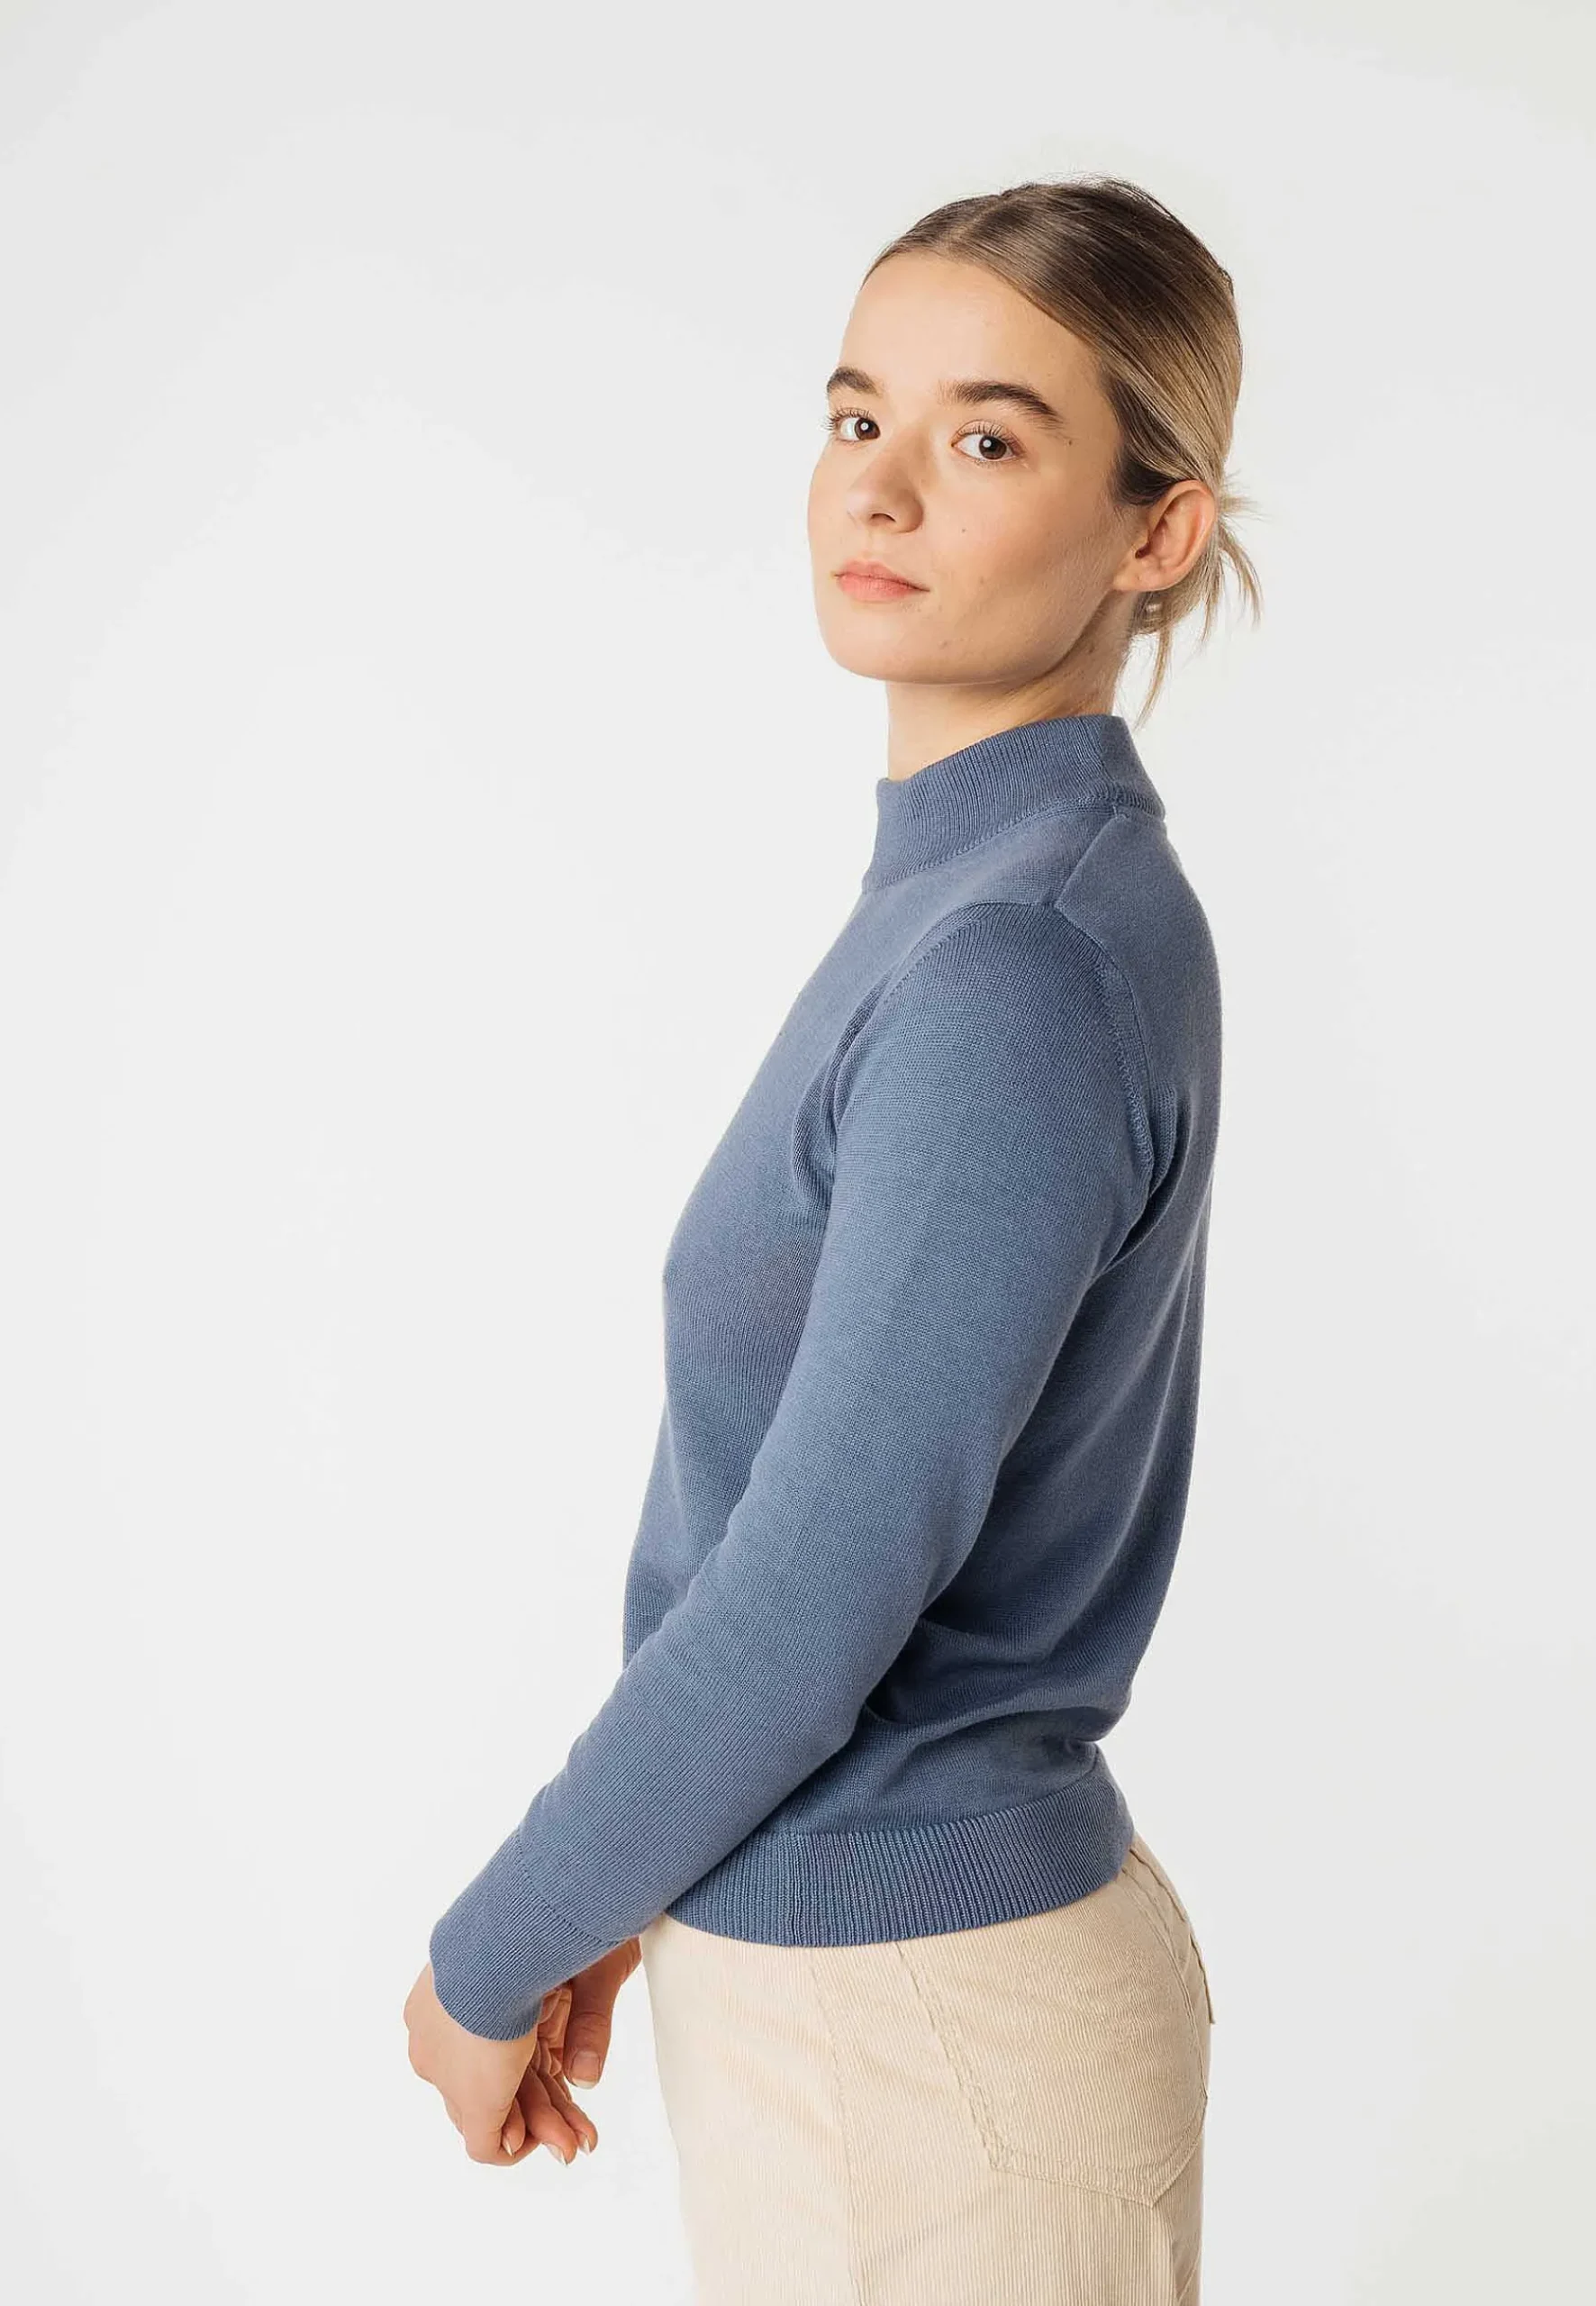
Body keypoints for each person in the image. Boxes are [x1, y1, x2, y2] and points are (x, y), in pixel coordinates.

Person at [404, 171, 1260, 2305]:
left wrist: (498, 1944)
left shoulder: (1012, 959)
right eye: (855, 413)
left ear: (1153, 532)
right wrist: (655, 1865)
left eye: (987, 437)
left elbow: (814, 1586)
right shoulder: (992, 898)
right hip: (899, 1995)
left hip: (915, 2026)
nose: (878, 486)